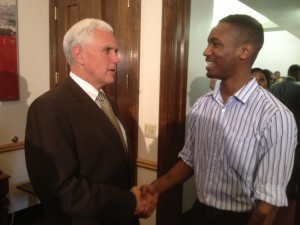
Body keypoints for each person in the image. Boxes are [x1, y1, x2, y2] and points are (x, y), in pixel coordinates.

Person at [141, 14, 297, 225]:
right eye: (208, 43)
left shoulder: (275, 116)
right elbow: (189, 160)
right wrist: (155, 188)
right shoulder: (202, 105)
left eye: (215, 44)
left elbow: (267, 205)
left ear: (244, 51)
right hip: (199, 214)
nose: (206, 52)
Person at [25, 18, 154, 225]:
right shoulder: (49, 107)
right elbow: (61, 190)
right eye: (107, 50)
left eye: (116, 51)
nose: (116, 58)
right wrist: (129, 201)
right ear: (79, 54)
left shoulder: (108, 103)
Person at [269, 64, 300, 225]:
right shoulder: (298, 87)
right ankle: (289, 191)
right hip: (296, 132)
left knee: (274, 162)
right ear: (297, 73)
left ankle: (275, 188)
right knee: (294, 163)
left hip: (274, 131)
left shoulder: (273, 87)